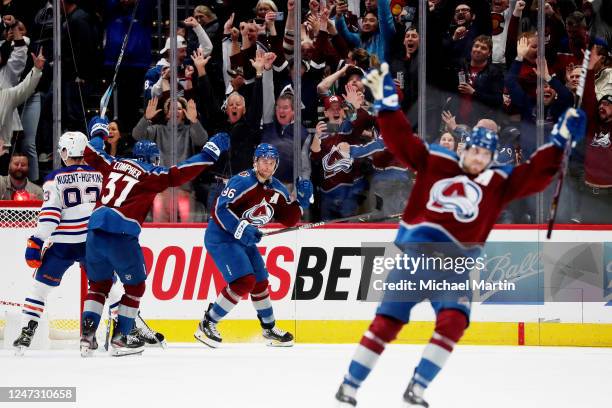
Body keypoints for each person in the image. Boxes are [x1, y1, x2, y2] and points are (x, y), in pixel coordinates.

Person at [334, 63, 587, 407]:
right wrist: (388, 108)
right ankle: (349, 385)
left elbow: (535, 174)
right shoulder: (436, 160)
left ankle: (418, 386)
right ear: (464, 149)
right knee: (387, 324)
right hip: (415, 261)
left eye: (485, 153)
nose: (478, 158)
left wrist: (559, 142)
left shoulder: (498, 182)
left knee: (454, 322)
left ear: (489, 156)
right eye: (474, 151)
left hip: (454, 269)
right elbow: (401, 141)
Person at [79, 116, 229, 357]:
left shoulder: (114, 163)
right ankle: (121, 338)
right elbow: (179, 174)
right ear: (152, 159)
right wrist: (210, 152)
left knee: (98, 286)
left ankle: (86, 338)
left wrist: (98, 132)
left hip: (94, 232)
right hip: (121, 234)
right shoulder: (150, 173)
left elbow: (91, 152)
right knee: (135, 286)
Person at [194, 143, 313, 348]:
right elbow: (220, 210)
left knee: (259, 281)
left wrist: (300, 203)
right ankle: (208, 323)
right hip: (221, 236)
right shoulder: (241, 181)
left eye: (271, 162)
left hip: (243, 239)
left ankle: (269, 328)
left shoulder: (276, 188)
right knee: (244, 281)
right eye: (263, 161)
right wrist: (242, 228)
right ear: (255, 162)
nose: (267, 166)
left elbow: (288, 219)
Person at [12, 132, 102, 355]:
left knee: (39, 289)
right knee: (105, 288)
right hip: (92, 242)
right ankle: (111, 333)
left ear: (64, 152)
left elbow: (51, 216)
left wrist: (37, 240)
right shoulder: (100, 174)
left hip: (62, 245)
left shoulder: (55, 178)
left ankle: (26, 333)